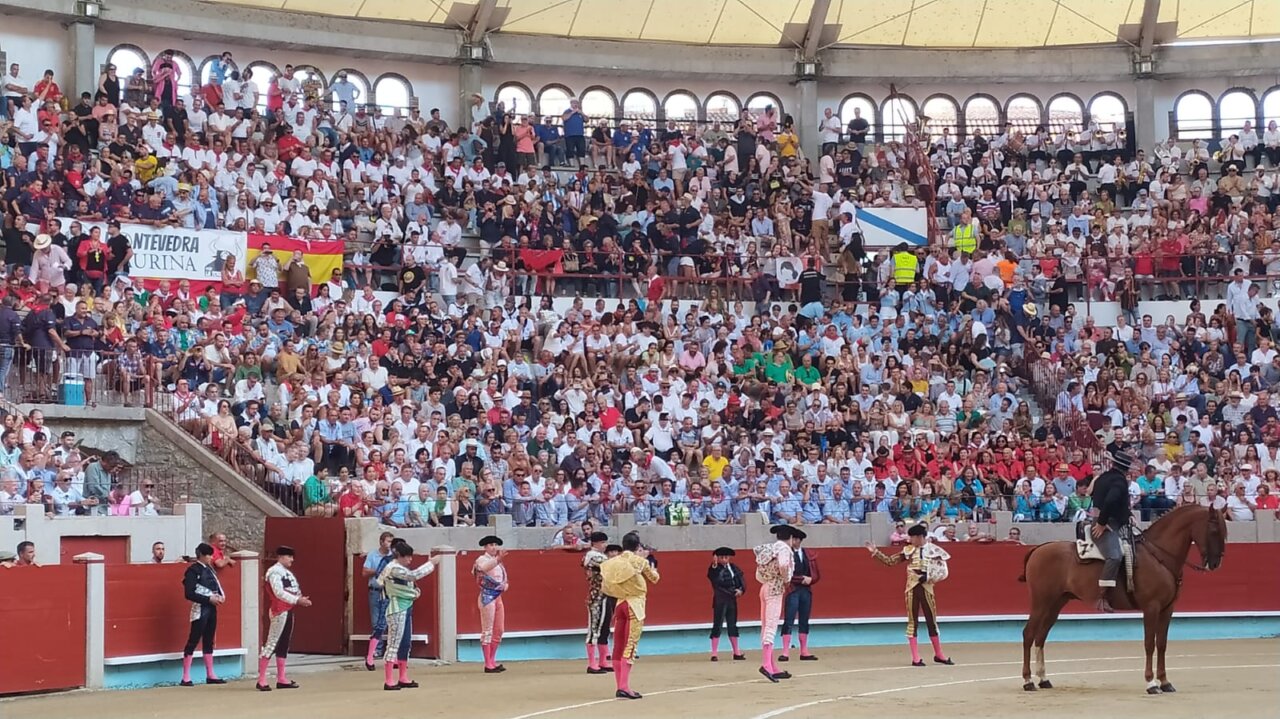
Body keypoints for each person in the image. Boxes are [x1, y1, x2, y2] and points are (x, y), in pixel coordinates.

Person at [864, 524, 954, 667]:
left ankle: (939, 654)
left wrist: (929, 576)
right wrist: (876, 552)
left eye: (912, 537)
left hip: (927, 587)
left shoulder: (934, 550)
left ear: (919, 537)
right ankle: (916, 658)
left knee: (932, 621)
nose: (910, 540)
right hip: (912, 588)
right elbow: (890, 561)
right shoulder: (909, 550)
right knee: (913, 622)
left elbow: (943, 571)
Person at [600, 531, 660, 700]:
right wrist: (650, 563)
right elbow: (654, 578)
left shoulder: (611, 562)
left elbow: (606, 586)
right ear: (637, 546)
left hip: (620, 604)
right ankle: (625, 687)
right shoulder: (640, 561)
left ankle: (620, 686)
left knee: (618, 646)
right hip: (635, 605)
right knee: (630, 646)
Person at [377, 540, 440, 691]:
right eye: (407, 557)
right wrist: (431, 563)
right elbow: (413, 576)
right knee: (393, 644)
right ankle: (389, 680)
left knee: (404, 643)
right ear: (399, 555)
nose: (410, 559)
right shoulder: (393, 568)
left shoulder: (397, 567)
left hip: (405, 606)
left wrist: (414, 593)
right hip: (396, 608)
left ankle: (403, 677)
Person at [257, 546, 311, 691]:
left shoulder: (285, 572)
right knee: (272, 643)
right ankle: (261, 679)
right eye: (289, 557)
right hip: (279, 610)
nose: (292, 559)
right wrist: (297, 600)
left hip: (288, 609)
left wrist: (299, 598)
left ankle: (281, 678)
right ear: (281, 557)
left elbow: (291, 590)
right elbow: (278, 592)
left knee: (283, 643)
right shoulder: (274, 572)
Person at [1090, 449, 1134, 613]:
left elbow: (1107, 500)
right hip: (1106, 524)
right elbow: (1110, 501)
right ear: (1126, 469)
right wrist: (1101, 523)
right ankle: (1102, 596)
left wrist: (1128, 514)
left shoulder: (1103, 477)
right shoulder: (1120, 482)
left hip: (1109, 521)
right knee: (1114, 556)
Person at [754, 524, 798, 682]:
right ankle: (766, 665)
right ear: (791, 538)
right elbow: (784, 565)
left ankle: (772, 666)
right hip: (775, 588)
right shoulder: (785, 549)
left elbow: (758, 574)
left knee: (766, 626)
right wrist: (786, 580)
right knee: (771, 626)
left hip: (765, 586)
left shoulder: (770, 548)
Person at [180, 542, 227, 686]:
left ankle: (210, 674)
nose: (211, 558)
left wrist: (219, 597)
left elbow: (216, 587)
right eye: (208, 555)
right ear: (202, 555)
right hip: (200, 608)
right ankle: (186, 676)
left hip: (211, 608)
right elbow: (189, 593)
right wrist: (208, 598)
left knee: (209, 640)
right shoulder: (192, 571)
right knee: (193, 640)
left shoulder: (210, 570)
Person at [779, 530, 820, 662]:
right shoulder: (787, 554)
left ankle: (804, 651)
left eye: (795, 540)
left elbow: (816, 574)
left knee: (804, 620)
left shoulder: (807, 554)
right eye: (792, 539)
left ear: (799, 541)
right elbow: (785, 574)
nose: (793, 542)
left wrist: (811, 579)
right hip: (793, 590)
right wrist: (802, 578)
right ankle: (785, 652)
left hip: (806, 591)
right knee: (789, 620)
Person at [473, 535, 509, 673]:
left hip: (497, 597)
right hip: (487, 597)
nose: (494, 547)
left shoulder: (498, 562)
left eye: (495, 544)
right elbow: (483, 568)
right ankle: (488, 663)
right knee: (487, 630)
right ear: (485, 547)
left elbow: (502, 577)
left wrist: (505, 585)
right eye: (491, 545)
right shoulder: (481, 559)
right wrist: (498, 559)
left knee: (499, 630)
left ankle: (492, 660)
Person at [362, 531, 397, 670]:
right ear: (381, 542)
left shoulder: (392, 557)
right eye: (388, 541)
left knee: (390, 622)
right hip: (375, 591)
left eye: (391, 542)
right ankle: (377, 650)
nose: (389, 544)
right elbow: (364, 572)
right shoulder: (373, 555)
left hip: (388, 592)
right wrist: (380, 570)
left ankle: (386, 652)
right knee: (377, 622)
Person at [582, 531, 615, 674]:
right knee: (594, 629)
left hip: (605, 596)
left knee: (604, 629)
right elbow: (609, 565)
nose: (605, 545)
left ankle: (602, 661)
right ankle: (592, 663)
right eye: (603, 542)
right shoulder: (592, 556)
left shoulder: (600, 556)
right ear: (595, 543)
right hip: (596, 598)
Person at [707, 546, 745, 661]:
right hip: (720, 600)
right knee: (717, 625)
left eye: (726, 557)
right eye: (721, 557)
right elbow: (713, 576)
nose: (724, 559)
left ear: (729, 558)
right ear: (717, 558)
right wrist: (713, 565)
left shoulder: (734, 568)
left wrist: (741, 590)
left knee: (732, 625)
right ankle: (714, 654)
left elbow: (742, 581)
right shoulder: (715, 568)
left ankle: (736, 652)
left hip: (732, 600)